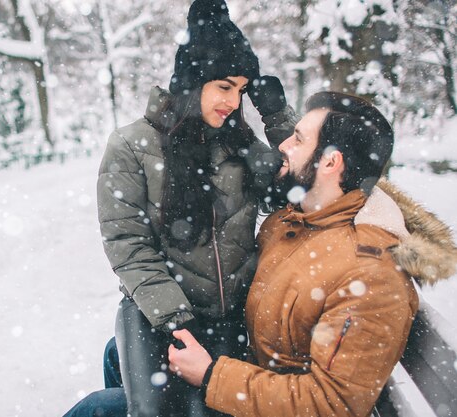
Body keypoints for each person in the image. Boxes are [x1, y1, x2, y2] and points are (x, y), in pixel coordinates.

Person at [66, 0, 296, 416]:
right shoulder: (132, 146)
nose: (232, 101)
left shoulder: (239, 145)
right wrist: (176, 322)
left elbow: (301, 183)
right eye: (224, 86)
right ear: (192, 82)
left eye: (241, 90)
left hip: (230, 321)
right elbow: (128, 245)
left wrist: (276, 115)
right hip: (163, 317)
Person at [166, 91, 451, 417]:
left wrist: (211, 375)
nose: (284, 145)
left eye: (298, 139)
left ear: (331, 162)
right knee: (120, 354)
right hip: (253, 387)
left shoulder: (371, 277)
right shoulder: (291, 222)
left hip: (263, 402)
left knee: (100, 407)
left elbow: (332, 404)